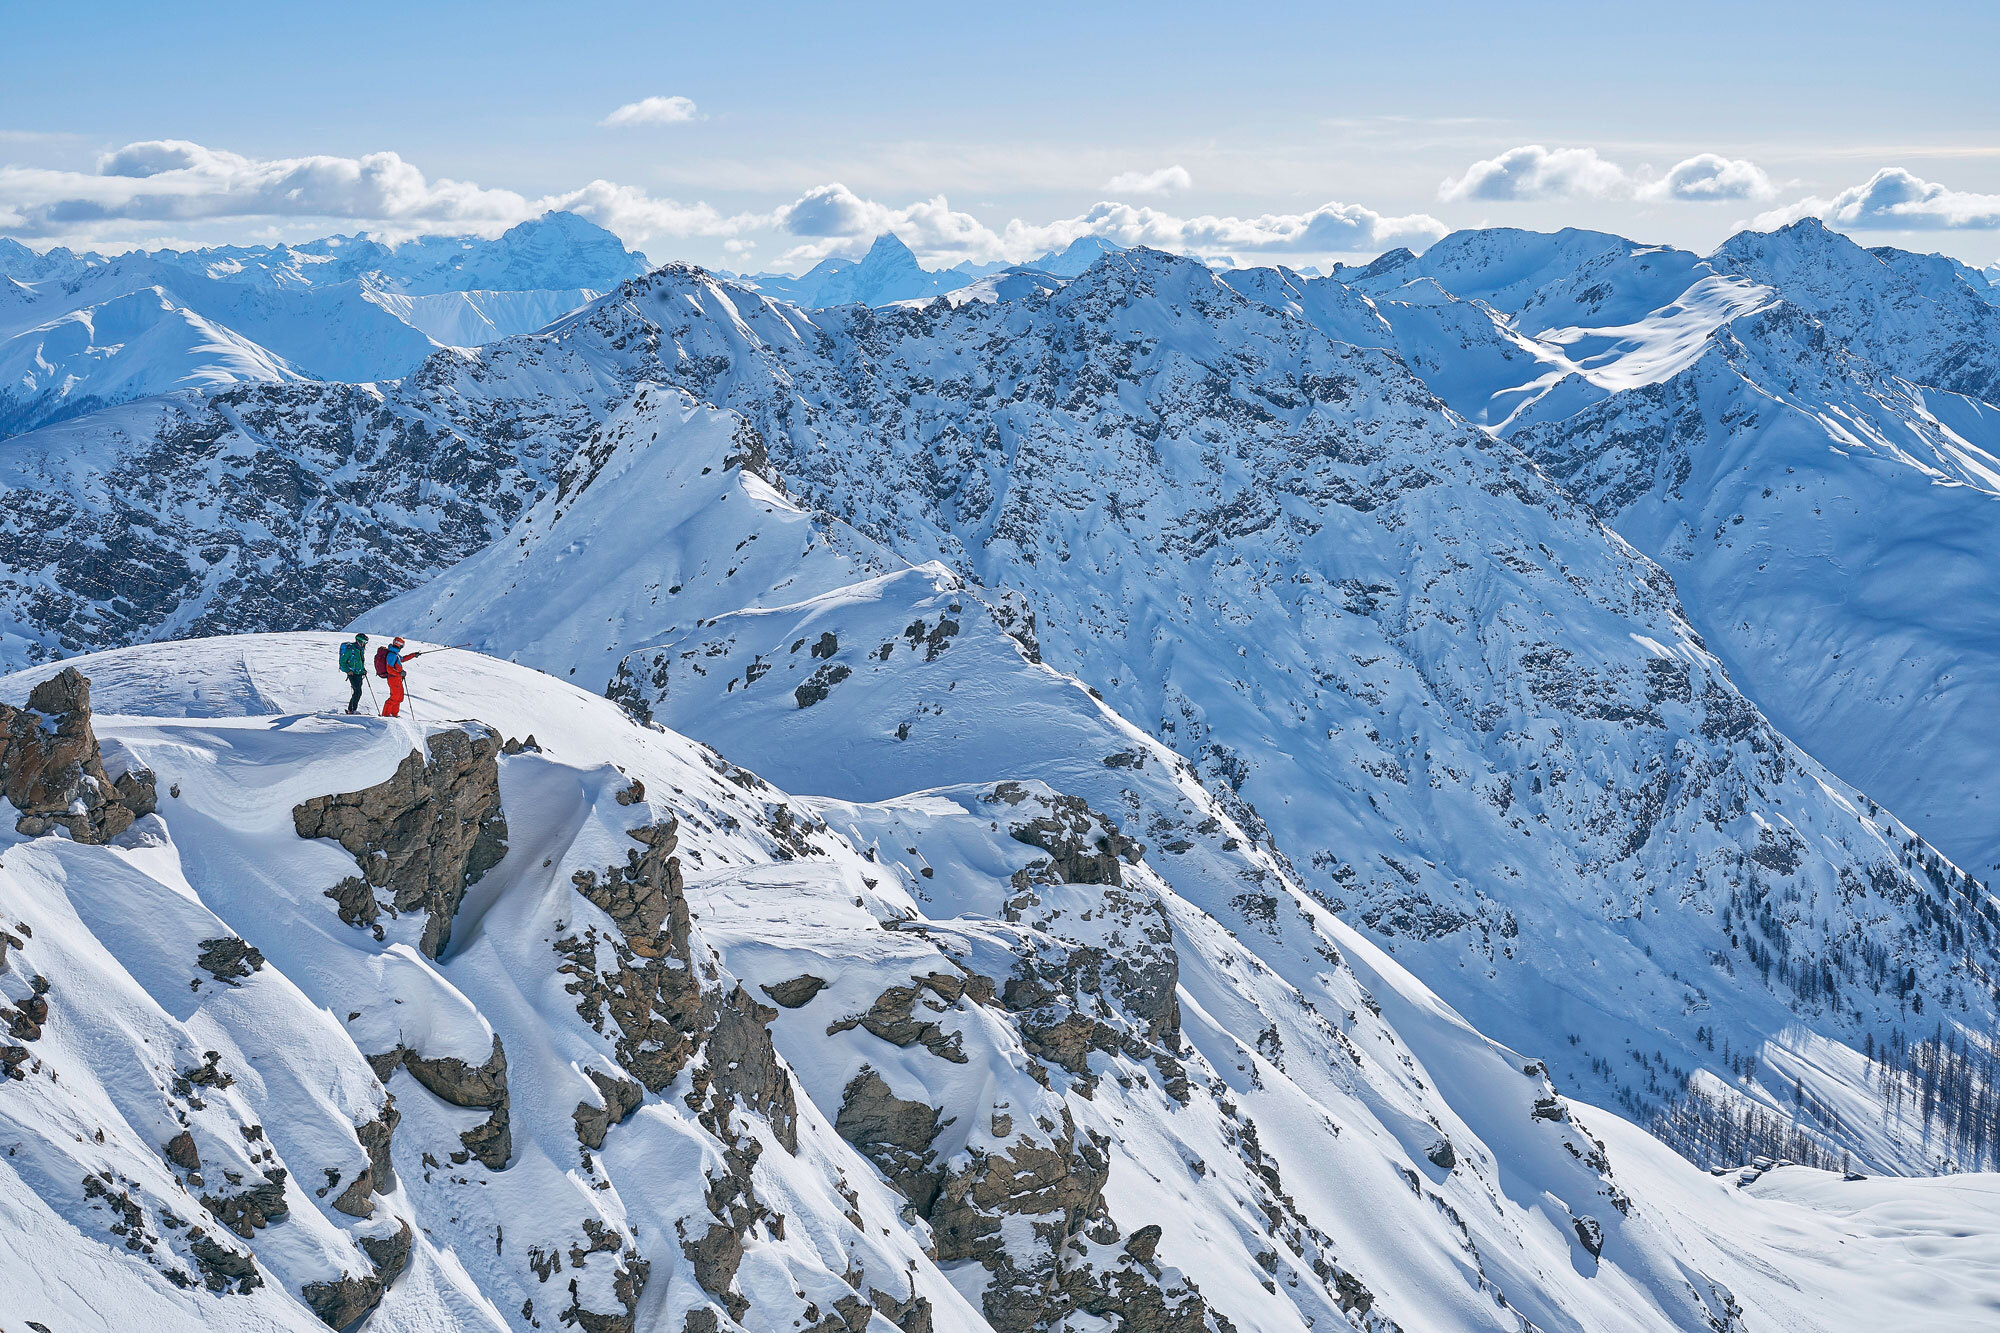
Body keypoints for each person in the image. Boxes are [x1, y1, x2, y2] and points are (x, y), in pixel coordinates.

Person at [380, 636, 424, 717]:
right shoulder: (391, 655)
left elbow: (402, 659)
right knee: (394, 698)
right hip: (393, 679)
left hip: (397, 679)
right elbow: (389, 669)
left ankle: (394, 714)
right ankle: (385, 716)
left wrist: (414, 655)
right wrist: (399, 674)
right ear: (399, 645)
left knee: (399, 698)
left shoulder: (395, 653)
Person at [339, 633, 369, 714]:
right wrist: (348, 671)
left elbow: (360, 662)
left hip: (359, 673)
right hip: (352, 674)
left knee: (357, 692)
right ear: (359, 641)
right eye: (364, 642)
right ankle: (351, 710)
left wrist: (363, 670)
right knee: (357, 692)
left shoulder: (360, 650)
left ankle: (352, 709)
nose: (365, 644)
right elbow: (342, 662)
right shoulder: (350, 650)